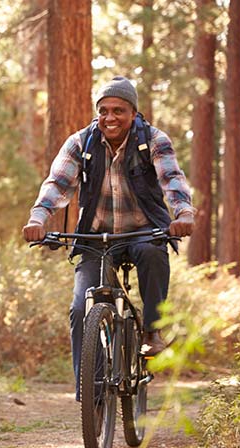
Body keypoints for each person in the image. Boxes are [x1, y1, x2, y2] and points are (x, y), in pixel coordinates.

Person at [22, 76, 195, 401]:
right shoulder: (82, 143)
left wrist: (183, 213)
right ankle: (93, 393)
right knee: (79, 309)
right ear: (97, 112)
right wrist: (38, 218)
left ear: (132, 113)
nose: (110, 117)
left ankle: (151, 331)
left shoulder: (153, 141)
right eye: (104, 110)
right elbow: (57, 184)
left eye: (118, 110)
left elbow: (172, 179)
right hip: (96, 238)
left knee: (153, 253)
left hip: (142, 231)